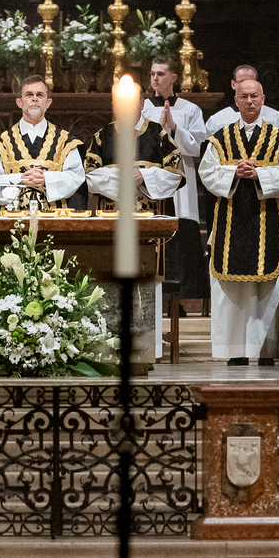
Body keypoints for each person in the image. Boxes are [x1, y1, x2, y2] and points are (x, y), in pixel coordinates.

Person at [199, 78, 279, 366]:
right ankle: (234, 351)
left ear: (263, 99)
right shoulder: (220, 139)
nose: (250, 101)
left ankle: (265, 350)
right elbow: (207, 173)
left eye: (254, 96)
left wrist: (259, 175)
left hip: (267, 220)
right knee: (231, 292)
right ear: (236, 100)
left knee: (266, 291)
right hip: (229, 222)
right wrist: (233, 173)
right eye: (244, 96)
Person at [85, 89, 185, 359]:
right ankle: (110, 345)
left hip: (150, 224)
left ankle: (149, 348)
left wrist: (145, 176)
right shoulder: (102, 136)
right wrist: (121, 178)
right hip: (113, 220)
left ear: (142, 103)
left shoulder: (158, 134)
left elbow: (176, 173)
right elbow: (90, 175)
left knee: (148, 279)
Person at [142, 55, 209, 302]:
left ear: (173, 77)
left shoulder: (191, 110)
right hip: (151, 182)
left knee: (184, 234)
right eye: (152, 74)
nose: (155, 78)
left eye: (161, 74)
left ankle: (188, 297)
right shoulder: (143, 109)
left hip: (181, 182)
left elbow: (199, 147)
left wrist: (174, 129)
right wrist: (158, 131)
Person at [0, 75, 86, 212]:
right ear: (19, 102)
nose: (34, 99)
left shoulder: (65, 142)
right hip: (13, 219)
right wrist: (20, 179)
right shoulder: (1, 143)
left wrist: (46, 178)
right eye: (29, 95)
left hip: (56, 218)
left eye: (40, 95)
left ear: (48, 102)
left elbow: (77, 176)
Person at [205, 65, 279, 136]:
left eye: (251, 81)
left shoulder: (274, 117)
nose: (246, 85)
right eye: (241, 82)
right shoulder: (217, 120)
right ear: (233, 84)